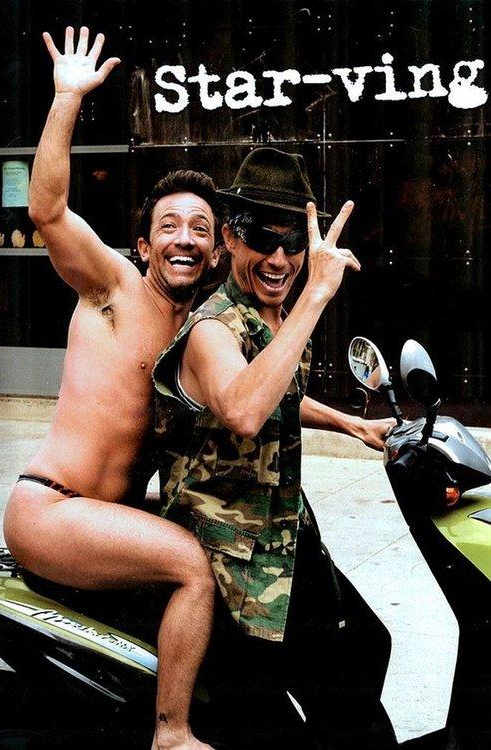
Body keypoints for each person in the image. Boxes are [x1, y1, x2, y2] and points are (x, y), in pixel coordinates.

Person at [3, 27, 220, 750]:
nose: (185, 237)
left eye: (200, 228)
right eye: (170, 226)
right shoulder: (115, 288)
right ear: (145, 246)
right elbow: (47, 212)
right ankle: (172, 733)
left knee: (217, 541)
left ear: (214, 252)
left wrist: (356, 424)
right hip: (54, 508)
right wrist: (67, 97)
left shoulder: (202, 334)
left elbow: (250, 396)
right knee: (191, 567)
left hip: (101, 515)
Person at [152, 147, 398, 749]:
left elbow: (280, 392)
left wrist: (352, 424)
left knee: (370, 644)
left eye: (293, 243)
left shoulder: (272, 319)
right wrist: (317, 294)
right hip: (233, 557)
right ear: (231, 239)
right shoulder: (212, 329)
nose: (280, 259)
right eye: (263, 238)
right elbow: (243, 407)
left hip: (283, 531)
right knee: (304, 715)